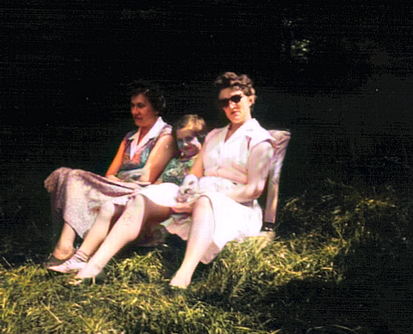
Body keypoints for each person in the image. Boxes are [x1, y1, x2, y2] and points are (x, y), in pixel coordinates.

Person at [70, 72, 273, 288]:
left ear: (250, 98)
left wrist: (207, 195)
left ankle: (183, 277)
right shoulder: (214, 135)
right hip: (200, 195)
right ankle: (94, 266)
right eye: (224, 102)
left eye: (236, 98)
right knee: (144, 197)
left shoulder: (260, 139)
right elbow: (195, 172)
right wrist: (189, 185)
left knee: (206, 202)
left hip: (236, 204)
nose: (231, 106)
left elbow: (254, 190)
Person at [47, 114, 207, 274]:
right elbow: (158, 182)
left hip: (173, 204)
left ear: (201, 138)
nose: (184, 145)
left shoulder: (201, 161)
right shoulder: (175, 161)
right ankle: (80, 258)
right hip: (155, 197)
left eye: (189, 139)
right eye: (180, 140)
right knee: (108, 207)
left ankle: (92, 261)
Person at [44, 81, 176, 267]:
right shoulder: (130, 137)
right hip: (116, 187)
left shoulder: (165, 134)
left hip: (139, 193)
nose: (135, 111)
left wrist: (117, 179)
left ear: (155, 108)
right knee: (63, 174)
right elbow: (110, 174)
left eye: (141, 106)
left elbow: (146, 177)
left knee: (75, 177)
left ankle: (65, 249)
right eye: (133, 106)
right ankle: (65, 244)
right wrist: (115, 179)